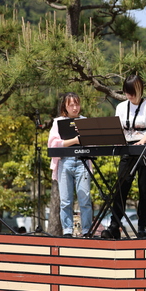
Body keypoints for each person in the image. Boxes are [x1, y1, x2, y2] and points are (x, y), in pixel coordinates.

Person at [102, 74, 146, 239]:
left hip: (145, 149)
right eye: (127, 92)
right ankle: (114, 225)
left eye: (132, 92)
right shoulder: (121, 107)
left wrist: (141, 142)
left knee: (144, 188)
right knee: (121, 187)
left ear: (139, 90)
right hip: (126, 148)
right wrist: (117, 140)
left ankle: (142, 226)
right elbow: (117, 129)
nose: (129, 96)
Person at [48, 92, 92, 237]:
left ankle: (86, 230)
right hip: (64, 161)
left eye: (77, 104)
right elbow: (53, 144)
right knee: (65, 200)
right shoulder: (58, 122)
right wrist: (74, 141)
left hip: (82, 161)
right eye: (71, 105)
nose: (75, 107)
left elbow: (94, 141)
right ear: (65, 106)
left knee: (84, 199)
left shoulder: (85, 120)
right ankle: (67, 231)